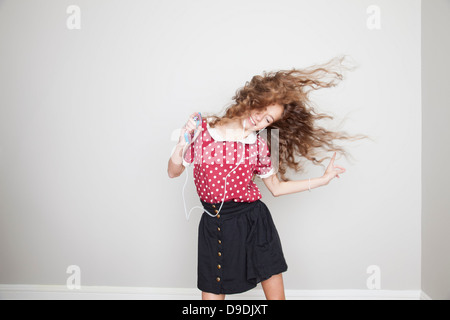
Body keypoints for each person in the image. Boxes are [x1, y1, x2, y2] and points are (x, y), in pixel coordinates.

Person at [168, 55, 367, 300]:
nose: (260, 119)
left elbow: (276, 188)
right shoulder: (205, 130)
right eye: (262, 109)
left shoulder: (259, 146)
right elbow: (173, 172)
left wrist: (322, 180)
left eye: (268, 119)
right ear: (253, 98)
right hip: (215, 226)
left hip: (254, 223)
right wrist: (180, 146)